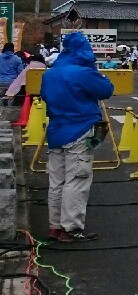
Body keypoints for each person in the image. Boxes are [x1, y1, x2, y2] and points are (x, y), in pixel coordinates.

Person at [42, 31, 114, 242]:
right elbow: (106, 90)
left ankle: (55, 226)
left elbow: (45, 96)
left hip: (56, 131)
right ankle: (71, 227)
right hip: (79, 130)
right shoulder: (83, 72)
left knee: (57, 181)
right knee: (77, 179)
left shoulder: (50, 74)